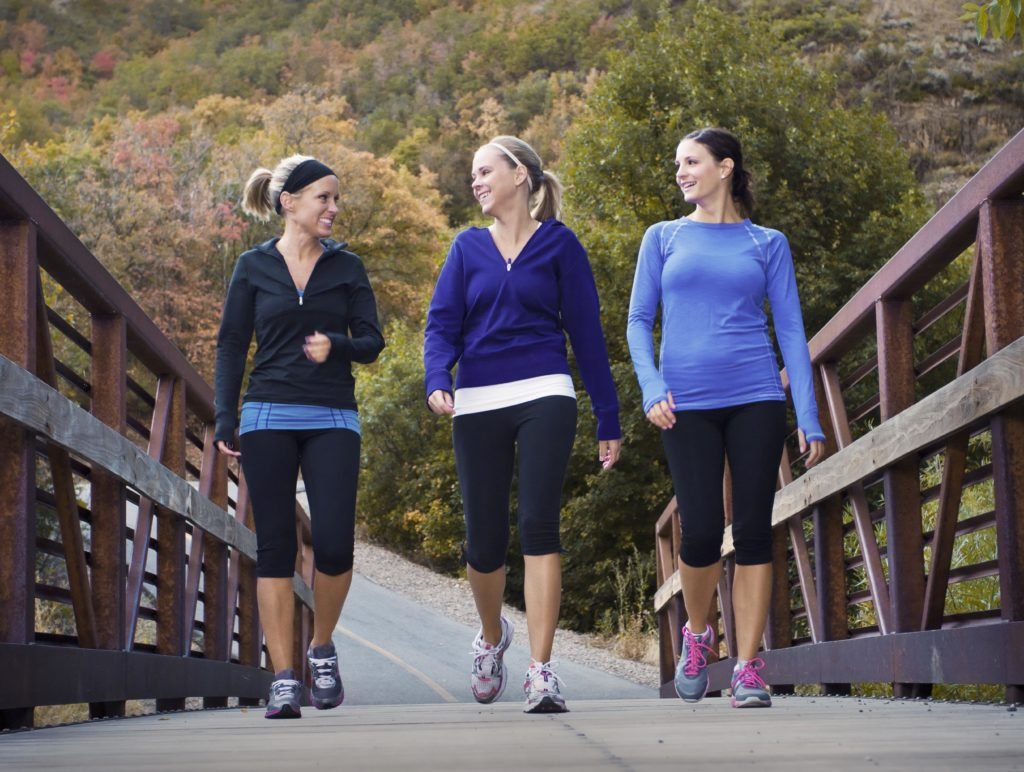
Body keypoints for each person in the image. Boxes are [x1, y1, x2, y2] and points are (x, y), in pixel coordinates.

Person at [626, 128, 825, 708]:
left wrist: (808, 417)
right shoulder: (662, 238)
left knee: (757, 528)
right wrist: (651, 386)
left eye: (692, 162)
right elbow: (639, 321)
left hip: (756, 394)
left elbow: (790, 330)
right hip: (684, 402)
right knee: (704, 530)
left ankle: (747, 667)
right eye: (678, 164)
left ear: (725, 167)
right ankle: (697, 634)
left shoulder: (767, 244)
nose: (681, 172)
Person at [423, 135, 622, 714]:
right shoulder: (465, 249)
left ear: (520, 175)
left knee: (539, 523)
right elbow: (441, 325)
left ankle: (541, 670)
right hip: (478, 398)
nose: (476, 181)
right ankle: (491, 637)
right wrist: (438, 378)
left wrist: (607, 415)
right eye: (473, 174)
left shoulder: (560, 245)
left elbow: (586, 335)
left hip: (545, 391)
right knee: (483, 540)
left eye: (485, 170)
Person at [214, 155, 385, 719]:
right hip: (266, 414)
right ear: (289, 202)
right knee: (275, 548)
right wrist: (223, 417)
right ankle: (283, 676)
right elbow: (233, 343)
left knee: (335, 544)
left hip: (333, 413)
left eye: (337, 200)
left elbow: (372, 340)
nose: (333, 209)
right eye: (323, 199)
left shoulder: (347, 268)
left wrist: (336, 343)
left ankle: (322, 648)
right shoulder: (253, 266)